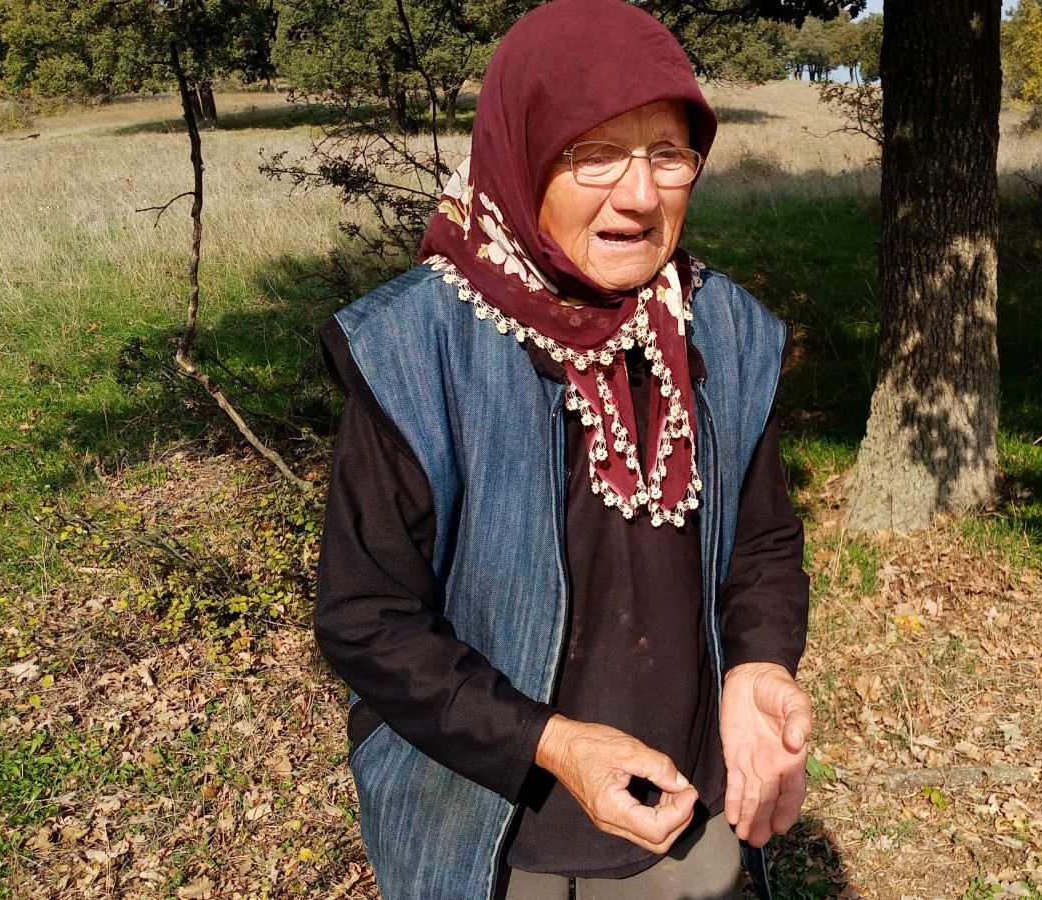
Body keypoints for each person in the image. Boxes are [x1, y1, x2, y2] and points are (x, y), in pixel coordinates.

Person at [313, 1, 812, 897]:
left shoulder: (725, 332)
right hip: (493, 833)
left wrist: (759, 663)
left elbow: (763, 545)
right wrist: (552, 744)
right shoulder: (420, 349)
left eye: (668, 154)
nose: (640, 194)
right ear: (522, 153)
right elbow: (368, 619)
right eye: (595, 153)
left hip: (688, 818)